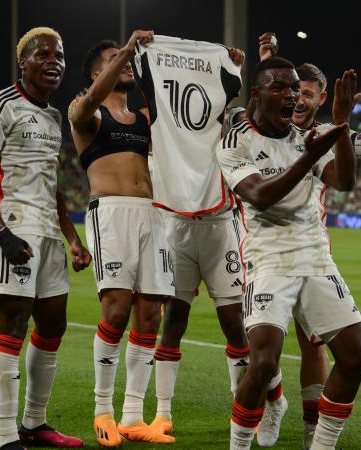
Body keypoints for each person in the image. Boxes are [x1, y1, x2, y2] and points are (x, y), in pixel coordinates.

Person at [242, 33, 361, 449]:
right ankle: (272, 402)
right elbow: (255, 109)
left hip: (309, 251)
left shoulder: (326, 134)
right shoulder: (250, 130)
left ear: (320, 102)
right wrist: (266, 58)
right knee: (257, 348)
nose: (299, 100)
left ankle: (309, 433)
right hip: (251, 245)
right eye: (293, 91)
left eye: (308, 95)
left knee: (313, 345)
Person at [218, 56, 361, 450]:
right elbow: (260, 197)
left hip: (315, 255)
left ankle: (319, 446)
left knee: (355, 357)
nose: (291, 96)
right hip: (269, 259)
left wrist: (341, 125)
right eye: (280, 88)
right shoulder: (238, 142)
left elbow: (346, 181)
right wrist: (309, 154)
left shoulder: (310, 136)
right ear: (257, 95)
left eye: (295, 88)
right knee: (264, 361)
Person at [0, 27, 90, 450]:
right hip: (13, 228)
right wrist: (2, 234)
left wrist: (72, 236)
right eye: (43, 55)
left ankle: (34, 424)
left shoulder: (53, 116)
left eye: (59, 55)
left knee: (54, 324)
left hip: (49, 233)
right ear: (24, 62)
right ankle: (6, 438)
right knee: (13, 324)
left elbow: (52, 186)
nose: (53, 61)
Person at [132, 35, 250, 438]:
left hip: (219, 224)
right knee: (174, 321)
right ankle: (163, 412)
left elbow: (243, 106)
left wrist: (236, 67)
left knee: (234, 321)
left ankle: (245, 406)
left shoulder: (227, 124)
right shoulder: (153, 130)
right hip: (176, 226)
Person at [68, 31, 175, 446]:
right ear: (98, 72)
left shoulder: (144, 119)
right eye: (115, 59)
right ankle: (103, 410)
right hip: (110, 214)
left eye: (126, 58)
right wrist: (127, 48)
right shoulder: (84, 111)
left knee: (150, 316)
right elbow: (88, 105)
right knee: (116, 309)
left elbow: (183, 118)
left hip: (152, 216)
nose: (126, 62)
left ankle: (133, 415)